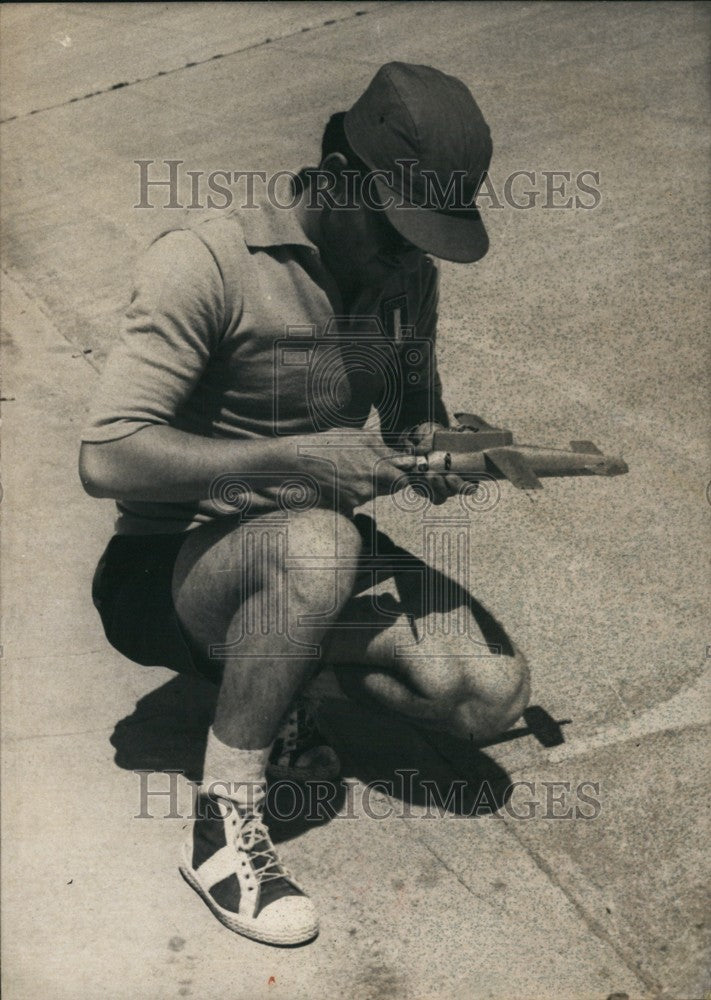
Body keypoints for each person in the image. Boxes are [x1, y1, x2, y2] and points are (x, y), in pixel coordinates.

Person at [79, 62, 530, 947]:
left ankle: (277, 681)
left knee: (487, 695)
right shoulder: (206, 261)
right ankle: (223, 830)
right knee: (320, 544)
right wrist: (294, 456)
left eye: (424, 238)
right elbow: (108, 456)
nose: (407, 256)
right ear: (335, 175)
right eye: (396, 228)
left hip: (310, 552)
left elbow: (409, 419)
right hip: (170, 568)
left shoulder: (404, 276)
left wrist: (445, 449)